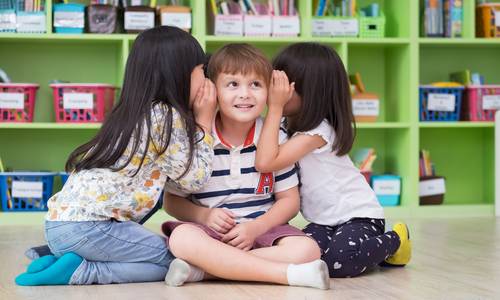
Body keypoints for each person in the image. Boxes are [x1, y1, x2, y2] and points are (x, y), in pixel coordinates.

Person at [15, 26, 217, 285]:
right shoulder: (166, 117)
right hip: (90, 229)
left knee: (157, 245)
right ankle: (84, 272)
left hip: (58, 225)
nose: (206, 81)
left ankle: (61, 259)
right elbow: (195, 180)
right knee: (175, 258)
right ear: (179, 74)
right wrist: (204, 122)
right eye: (202, 70)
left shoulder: (130, 113)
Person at [161, 43, 330, 290]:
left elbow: (289, 201)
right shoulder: (197, 138)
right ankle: (286, 275)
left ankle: (205, 271)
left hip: (262, 231)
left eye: (256, 85)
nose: (245, 94)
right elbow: (171, 202)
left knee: (308, 249)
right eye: (233, 84)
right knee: (182, 239)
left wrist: (255, 228)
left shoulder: (275, 138)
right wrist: (204, 215)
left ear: (269, 91)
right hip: (208, 233)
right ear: (213, 89)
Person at [255, 42, 412, 278]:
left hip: (358, 216)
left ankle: (397, 240)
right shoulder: (286, 125)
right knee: (304, 254)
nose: (275, 91)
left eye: (284, 86)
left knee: (338, 262)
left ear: (311, 92)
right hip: (322, 220)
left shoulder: (319, 132)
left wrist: (274, 107)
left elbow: (266, 161)